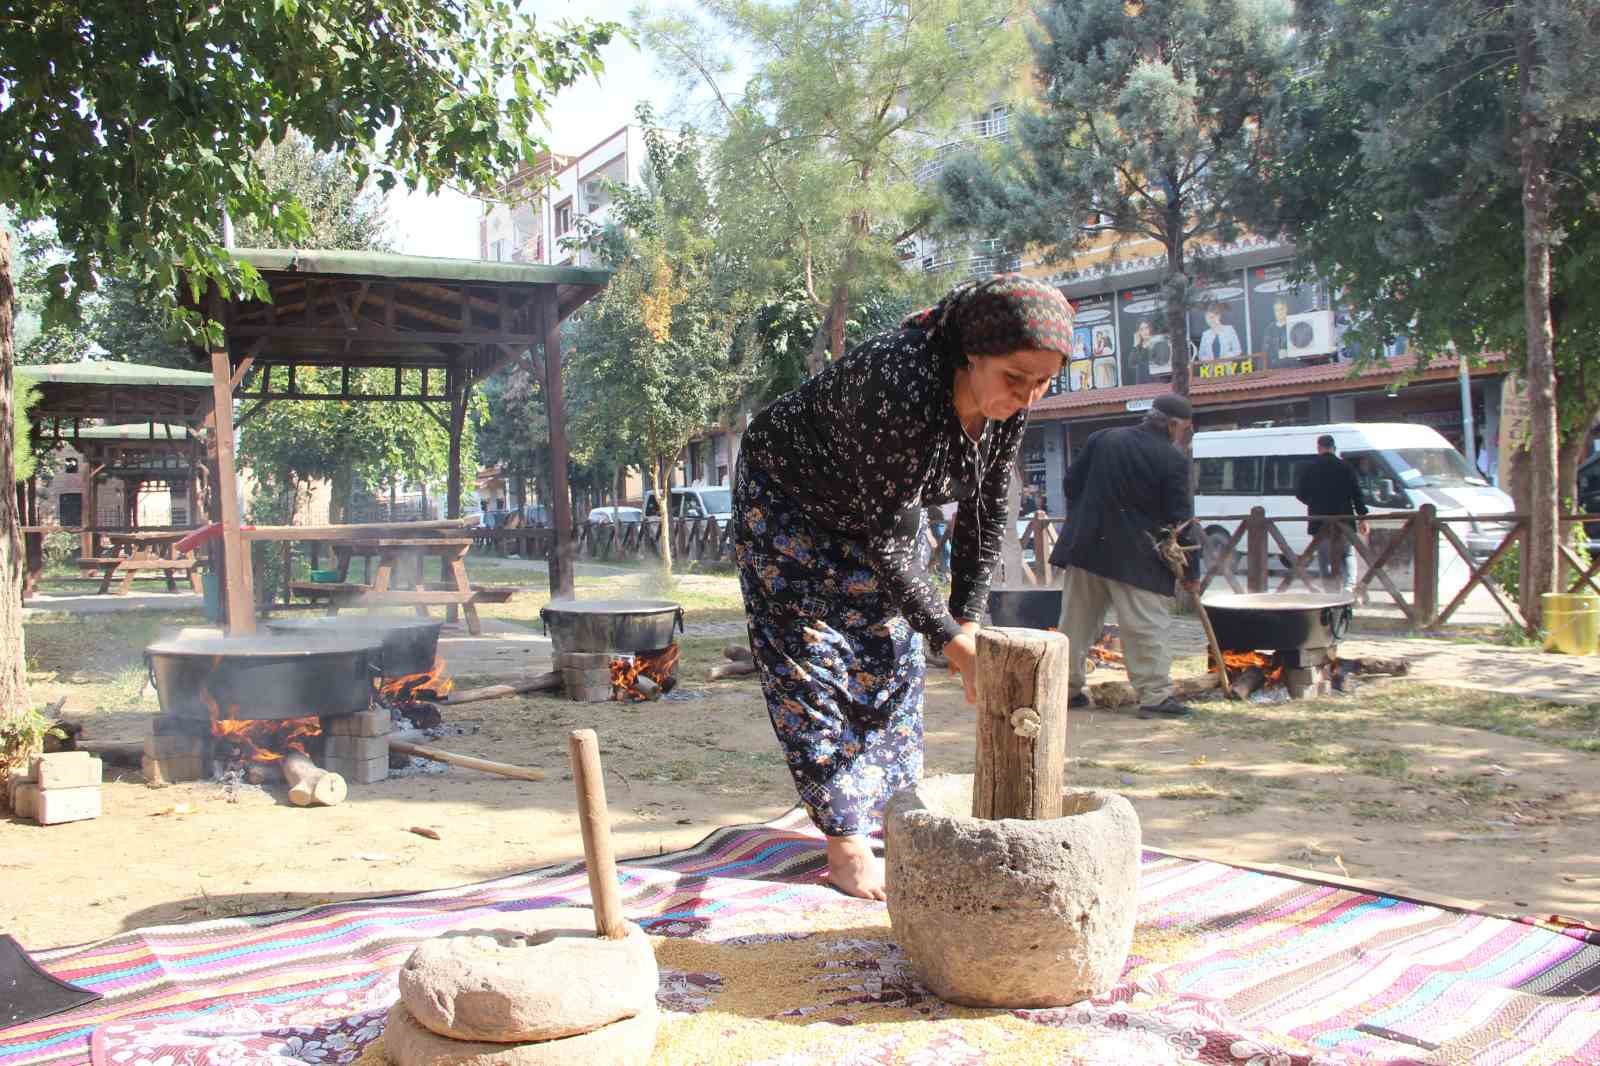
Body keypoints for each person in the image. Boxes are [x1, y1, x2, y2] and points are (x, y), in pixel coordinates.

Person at [732, 275, 1075, 900]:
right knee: (812, 664)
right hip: (790, 504)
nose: (1027, 397)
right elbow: (887, 545)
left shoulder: (1004, 410)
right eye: (1015, 378)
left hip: (879, 511)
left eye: (1043, 383)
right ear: (974, 352)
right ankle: (844, 844)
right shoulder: (897, 381)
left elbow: (986, 512)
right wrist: (952, 641)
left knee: (892, 660)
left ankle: (888, 813)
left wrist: (965, 620)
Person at [1048, 394, 1201, 720]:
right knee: (1145, 628)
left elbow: (1071, 484)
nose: (1182, 435)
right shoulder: (1173, 460)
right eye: (1184, 429)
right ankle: (1156, 698)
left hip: (1086, 546)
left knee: (1074, 625)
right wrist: (1192, 572)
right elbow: (1181, 519)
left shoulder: (1102, 438)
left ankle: (1065, 690)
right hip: (1136, 556)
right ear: (1173, 425)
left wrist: (1089, 517)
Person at [1294, 434, 1370, 593]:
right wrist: (1362, 518)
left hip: (1319, 521)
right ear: (1334, 448)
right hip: (1344, 519)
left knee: (1324, 558)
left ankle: (1330, 591)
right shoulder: (1346, 467)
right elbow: (1357, 494)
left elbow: (1300, 493)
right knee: (1347, 554)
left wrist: (1314, 503)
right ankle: (1349, 586)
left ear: (1319, 448)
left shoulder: (1309, 468)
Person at [1259, 297, 1292, 362]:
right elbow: (1264, 351)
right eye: (1277, 310)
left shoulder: (1293, 325)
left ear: (1286, 309)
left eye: (1281, 309)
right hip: (1275, 366)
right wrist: (1276, 355)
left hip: (1293, 364)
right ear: (1274, 312)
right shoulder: (1269, 329)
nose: (1279, 313)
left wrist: (1288, 352)